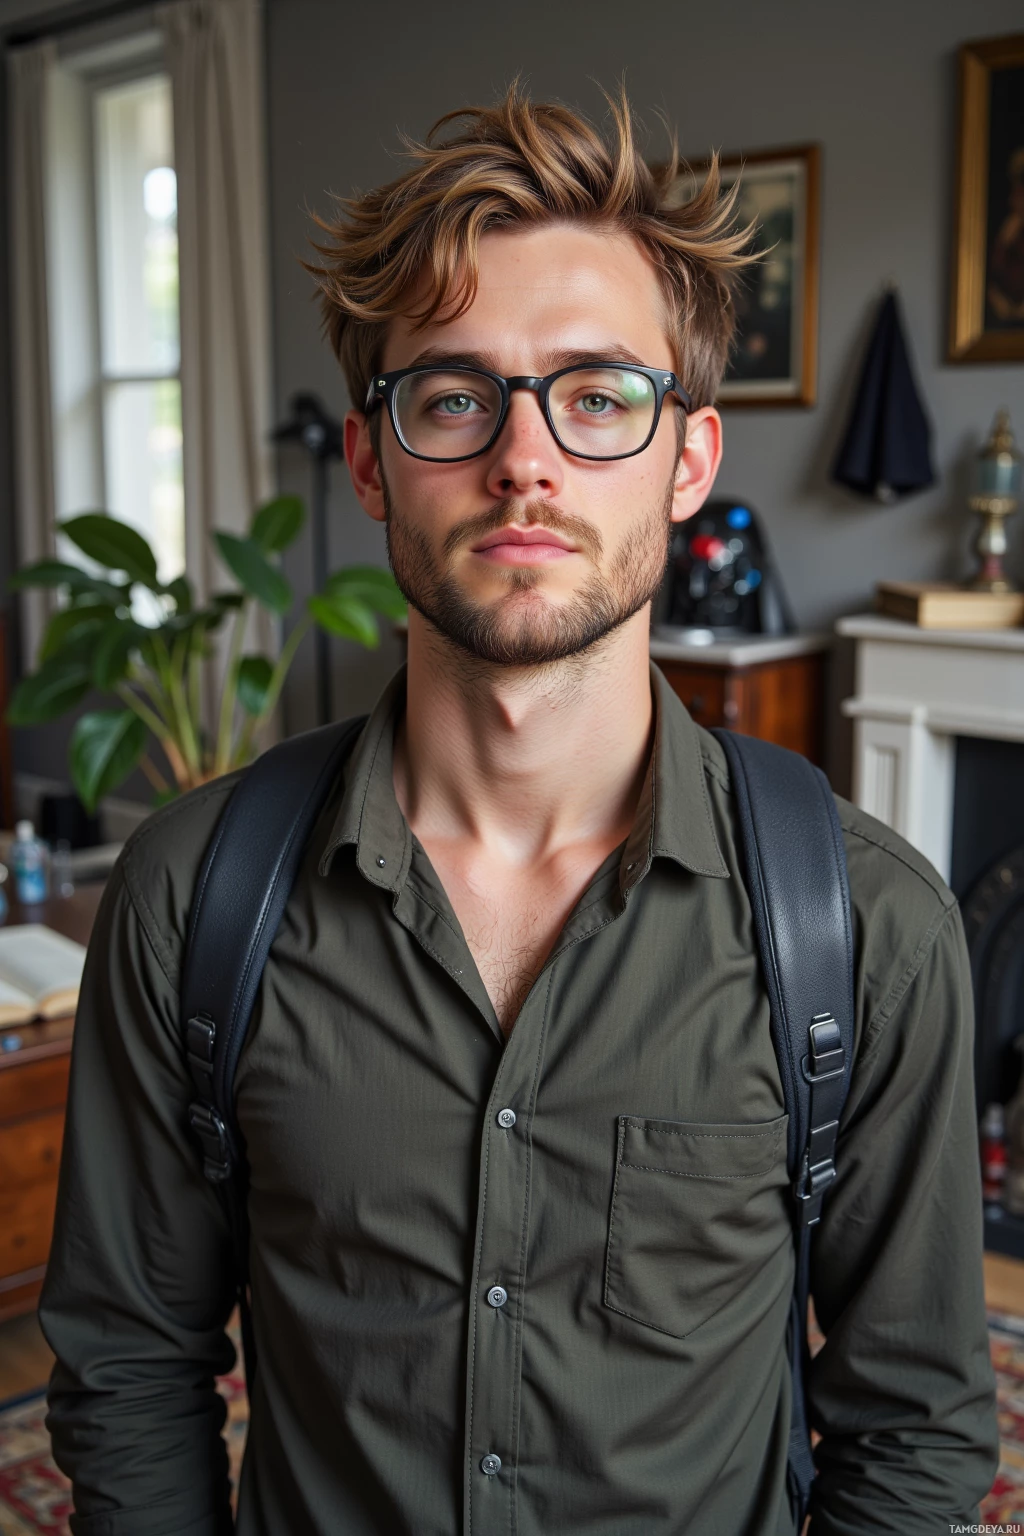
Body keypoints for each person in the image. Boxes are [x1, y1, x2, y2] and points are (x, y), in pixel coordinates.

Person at [41, 85, 997, 1535]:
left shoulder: (865, 928)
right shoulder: (196, 894)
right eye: (453, 394)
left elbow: (916, 1430)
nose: (525, 459)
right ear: (372, 458)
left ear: (689, 460)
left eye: (598, 395)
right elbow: (128, 1366)